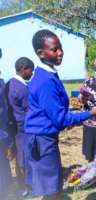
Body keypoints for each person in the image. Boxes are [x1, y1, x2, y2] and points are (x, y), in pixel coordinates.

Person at [24, 29, 96, 200]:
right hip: (42, 140)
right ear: (41, 53)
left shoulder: (47, 74)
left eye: (60, 48)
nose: (60, 52)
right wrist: (90, 113)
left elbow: (55, 112)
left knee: (51, 185)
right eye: (54, 49)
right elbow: (60, 119)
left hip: (43, 136)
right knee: (52, 189)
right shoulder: (45, 81)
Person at [7, 57, 34, 191]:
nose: (31, 74)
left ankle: (22, 184)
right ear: (23, 69)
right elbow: (29, 109)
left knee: (19, 155)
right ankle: (27, 186)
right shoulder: (22, 88)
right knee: (24, 157)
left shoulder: (10, 84)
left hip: (15, 125)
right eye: (31, 71)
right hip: (23, 126)